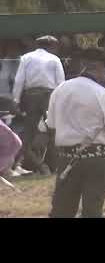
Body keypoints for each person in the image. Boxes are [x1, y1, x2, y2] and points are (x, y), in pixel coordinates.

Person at [46, 48, 105, 218]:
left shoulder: (60, 89)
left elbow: (50, 124)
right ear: (99, 67)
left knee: (62, 211)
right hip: (96, 159)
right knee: (92, 211)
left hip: (67, 158)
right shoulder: (102, 94)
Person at [11, 36, 65, 175]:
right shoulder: (54, 59)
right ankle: (59, 167)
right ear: (52, 46)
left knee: (28, 133)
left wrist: (16, 100)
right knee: (55, 132)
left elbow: (19, 80)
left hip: (31, 95)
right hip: (50, 95)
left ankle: (26, 165)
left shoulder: (26, 57)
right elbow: (61, 83)